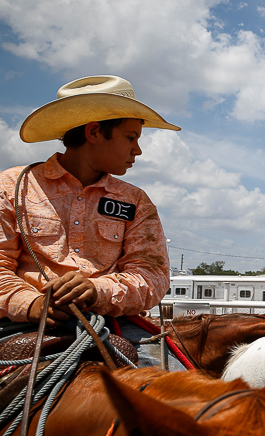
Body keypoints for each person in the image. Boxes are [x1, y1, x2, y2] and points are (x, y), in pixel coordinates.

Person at [0, 75, 183, 369]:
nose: (137, 150)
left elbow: (152, 276)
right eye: (131, 137)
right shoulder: (11, 188)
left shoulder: (136, 202)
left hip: (114, 324)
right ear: (95, 131)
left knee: (175, 393)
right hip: (19, 324)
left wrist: (98, 290)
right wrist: (31, 304)